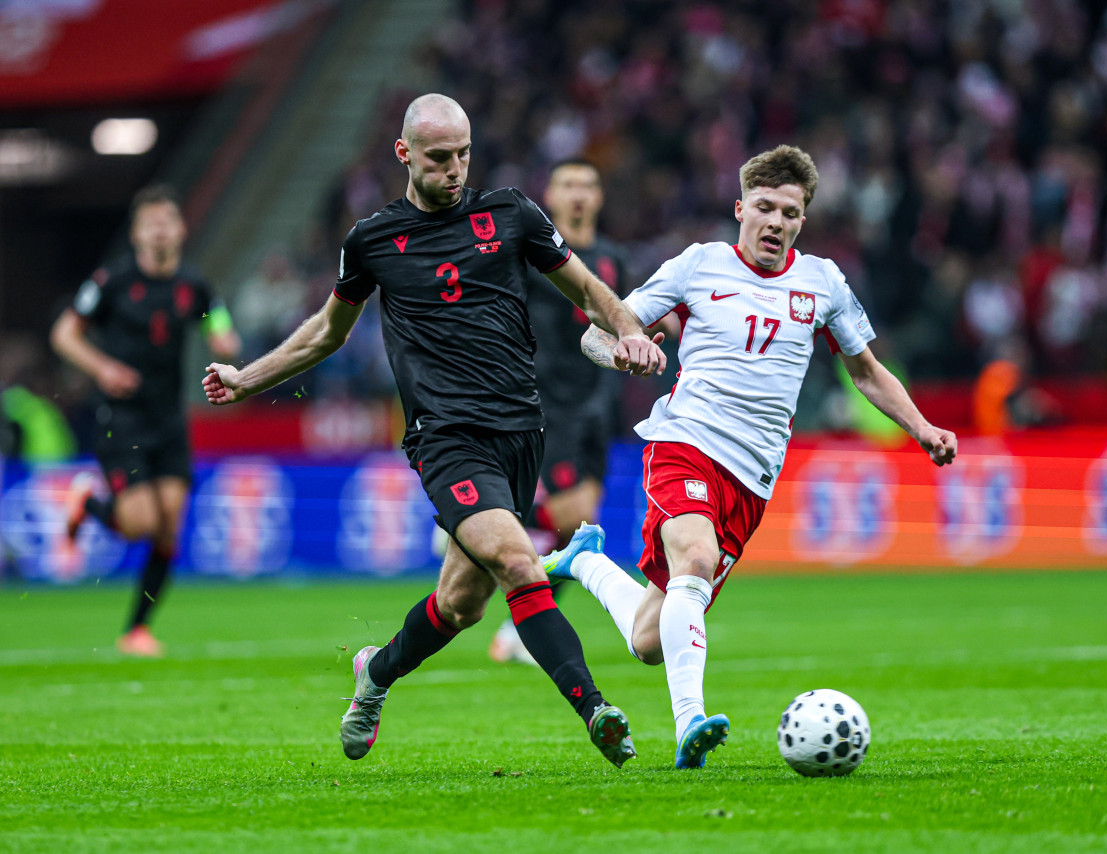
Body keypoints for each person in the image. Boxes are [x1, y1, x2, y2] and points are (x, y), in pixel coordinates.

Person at [201, 94, 666, 768]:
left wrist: (628, 330)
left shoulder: (510, 214)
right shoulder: (372, 240)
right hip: (445, 437)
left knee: (460, 603)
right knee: (518, 562)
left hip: (521, 431)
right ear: (405, 154)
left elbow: (588, 288)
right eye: (439, 157)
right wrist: (247, 378)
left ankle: (375, 672)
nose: (454, 170)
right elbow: (326, 334)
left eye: (463, 156)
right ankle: (596, 710)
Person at [547, 145, 958, 769]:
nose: (775, 222)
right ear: (741, 209)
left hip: (752, 478)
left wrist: (922, 427)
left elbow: (866, 372)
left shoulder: (823, 283)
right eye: (764, 207)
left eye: (789, 213)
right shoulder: (698, 265)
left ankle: (585, 561)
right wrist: (626, 349)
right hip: (685, 444)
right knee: (696, 558)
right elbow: (597, 334)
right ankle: (690, 724)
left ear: (802, 221)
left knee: (651, 638)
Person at [51, 184, 241, 657]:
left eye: (167, 221)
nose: (159, 230)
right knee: (139, 523)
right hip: (121, 418)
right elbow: (65, 334)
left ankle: (136, 629)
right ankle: (87, 503)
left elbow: (215, 316)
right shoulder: (112, 282)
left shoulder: (192, 284)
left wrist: (223, 339)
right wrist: (103, 369)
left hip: (168, 418)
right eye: (150, 223)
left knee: (169, 525)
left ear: (180, 230)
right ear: (136, 234)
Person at [488, 158, 635, 665]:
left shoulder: (612, 259)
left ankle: (515, 623)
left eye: (587, 185)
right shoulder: (529, 257)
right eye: (567, 184)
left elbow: (628, 317)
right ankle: (483, 523)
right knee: (576, 523)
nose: (577, 194)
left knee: (578, 531)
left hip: (599, 406)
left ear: (599, 197)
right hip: (547, 403)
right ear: (549, 197)